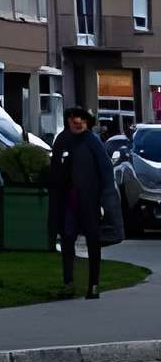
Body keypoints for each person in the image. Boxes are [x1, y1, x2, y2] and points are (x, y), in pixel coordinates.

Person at [48, 107, 120, 298]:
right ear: (68, 121)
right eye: (73, 119)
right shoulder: (62, 140)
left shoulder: (92, 142)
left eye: (81, 119)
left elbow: (106, 170)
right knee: (67, 239)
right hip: (67, 201)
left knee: (93, 240)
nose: (77, 122)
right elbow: (55, 169)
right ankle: (68, 283)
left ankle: (93, 285)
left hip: (89, 200)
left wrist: (106, 198)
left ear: (87, 123)